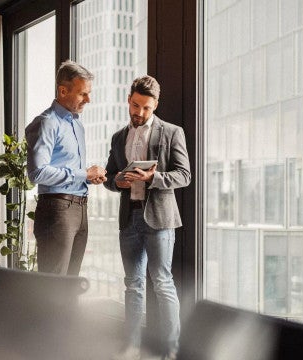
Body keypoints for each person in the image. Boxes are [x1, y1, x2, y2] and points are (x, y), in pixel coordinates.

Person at [104, 75, 191, 360]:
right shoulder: (118, 137)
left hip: (160, 219)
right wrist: (119, 181)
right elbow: (109, 176)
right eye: (136, 105)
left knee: (162, 283)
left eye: (146, 108)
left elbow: (184, 175)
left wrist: (154, 177)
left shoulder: (171, 132)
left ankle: (171, 351)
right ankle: (131, 346)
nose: (139, 113)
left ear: (155, 106)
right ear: (128, 100)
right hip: (129, 219)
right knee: (133, 284)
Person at [25, 60, 106, 276]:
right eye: (83, 94)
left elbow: (65, 167)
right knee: (53, 287)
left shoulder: (76, 124)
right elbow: (37, 172)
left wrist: (88, 177)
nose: (88, 99)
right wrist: (83, 173)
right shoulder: (46, 123)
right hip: (57, 210)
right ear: (63, 90)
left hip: (80, 208)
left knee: (70, 285)